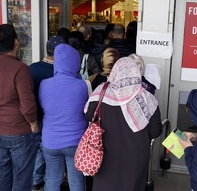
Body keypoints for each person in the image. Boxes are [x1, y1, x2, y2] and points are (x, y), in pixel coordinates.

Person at [84, 57, 162, 191]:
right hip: (135, 158)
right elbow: (155, 131)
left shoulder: (100, 92)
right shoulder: (147, 99)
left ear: (115, 72)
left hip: (104, 155)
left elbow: (88, 115)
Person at [0, 24, 40, 191]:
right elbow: (27, 104)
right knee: (22, 175)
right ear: (16, 42)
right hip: (19, 132)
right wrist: (33, 123)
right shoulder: (20, 69)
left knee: (3, 170)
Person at [39, 43, 88, 191]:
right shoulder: (84, 85)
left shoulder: (44, 84)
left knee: (52, 179)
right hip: (75, 142)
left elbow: (44, 107)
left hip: (50, 140)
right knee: (77, 182)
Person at [29, 35, 65, 190]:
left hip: (35, 117)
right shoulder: (61, 72)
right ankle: (48, 179)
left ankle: (35, 179)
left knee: (37, 149)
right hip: (54, 120)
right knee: (51, 153)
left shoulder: (32, 68)